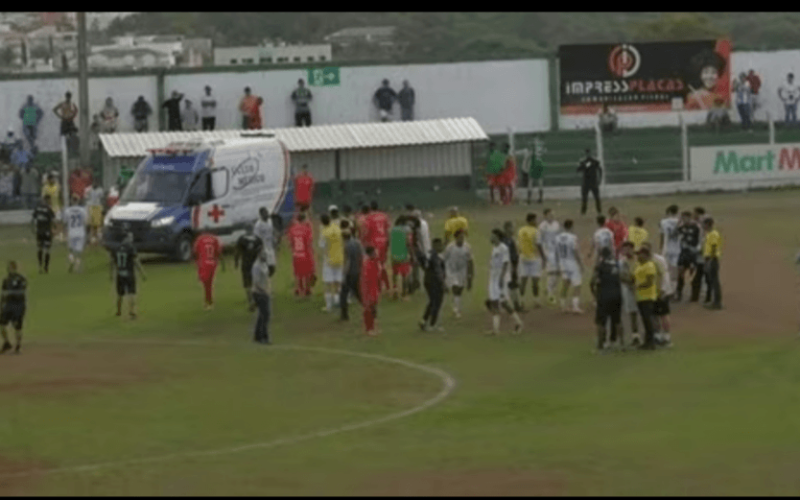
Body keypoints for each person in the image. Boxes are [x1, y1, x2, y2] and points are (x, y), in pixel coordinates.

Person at [486, 229, 523, 335]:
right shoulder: (494, 248)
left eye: (493, 235)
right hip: (493, 278)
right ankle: (495, 329)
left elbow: (506, 263)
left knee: (504, 302)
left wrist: (501, 279)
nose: (491, 237)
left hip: (499, 279)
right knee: (495, 302)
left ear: (497, 237)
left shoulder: (503, 248)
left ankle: (518, 323)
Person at [590, 247, 623, 352]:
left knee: (601, 322)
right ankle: (621, 344)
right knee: (617, 320)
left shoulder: (600, 266)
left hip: (604, 296)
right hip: (617, 295)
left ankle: (601, 345)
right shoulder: (617, 264)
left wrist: (595, 294)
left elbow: (592, 282)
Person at [642, 242, 672, 347]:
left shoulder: (658, 260)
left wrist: (664, 289)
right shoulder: (647, 261)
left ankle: (667, 336)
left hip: (661, 291)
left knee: (663, 314)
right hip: (653, 292)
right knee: (654, 314)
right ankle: (658, 335)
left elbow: (664, 274)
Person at [110, 232, 146, 319]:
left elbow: (112, 263)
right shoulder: (130, 248)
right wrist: (142, 272)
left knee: (119, 293)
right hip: (129, 273)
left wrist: (111, 274)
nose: (131, 239)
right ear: (126, 238)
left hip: (120, 273)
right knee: (131, 292)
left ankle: (118, 311)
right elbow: (136, 261)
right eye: (130, 237)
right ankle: (132, 312)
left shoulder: (116, 248)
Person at [517, 213, 546, 309]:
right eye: (535, 220)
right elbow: (539, 245)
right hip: (534, 258)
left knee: (523, 281)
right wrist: (544, 257)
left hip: (523, 258)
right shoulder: (536, 231)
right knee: (535, 281)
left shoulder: (521, 230)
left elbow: (519, 244)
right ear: (531, 220)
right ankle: (536, 300)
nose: (536, 222)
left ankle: (521, 300)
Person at [442, 229, 473, 319]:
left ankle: (456, 306)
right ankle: (456, 309)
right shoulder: (450, 247)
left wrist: (470, 276)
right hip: (451, 270)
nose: (461, 239)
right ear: (456, 238)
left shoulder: (467, 247)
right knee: (455, 287)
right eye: (460, 237)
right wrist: (443, 272)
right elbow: (444, 258)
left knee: (459, 290)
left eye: (463, 237)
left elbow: (470, 261)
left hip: (462, 271)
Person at [555, 219, 584, 314]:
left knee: (565, 284)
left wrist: (557, 264)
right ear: (571, 226)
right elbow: (575, 252)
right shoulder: (573, 237)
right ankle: (575, 307)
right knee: (577, 285)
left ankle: (563, 306)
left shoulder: (558, 237)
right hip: (572, 263)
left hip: (562, 263)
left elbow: (556, 252)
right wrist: (581, 264)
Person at [633, 246, 659, 350]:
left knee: (648, 320)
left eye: (640, 254)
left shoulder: (649, 265)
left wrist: (638, 285)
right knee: (645, 320)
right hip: (640, 297)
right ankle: (647, 341)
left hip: (648, 296)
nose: (638, 256)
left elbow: (649, 281)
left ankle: (651, 342)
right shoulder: (639, 265)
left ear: (645, 255)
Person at [419, 238, 446, 331]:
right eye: (440, 245)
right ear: (435, 246)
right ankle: (432, 324)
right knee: (437, 302)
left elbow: (423, 264)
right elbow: (438, 271)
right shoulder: (435, 256)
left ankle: (424, 320)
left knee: (432, 302)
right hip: (434, 281)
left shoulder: (429, 254)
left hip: (428, 280)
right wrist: (443, 283)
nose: (442, 247)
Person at [193, 232, 225, 311]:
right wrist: (222, 264)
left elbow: (195, 251)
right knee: (209, 283)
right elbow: (219, 252)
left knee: (206, 284)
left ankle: (208, 301)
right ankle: (208, 301)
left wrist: (196, 261)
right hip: (212, 263)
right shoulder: (214, 239)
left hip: (203, 263)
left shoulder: (199, 239)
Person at [0, 261, 27, 354]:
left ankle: (18, 346)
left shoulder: (21, 279)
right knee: (1, 324)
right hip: (8, 306)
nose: (9, 269)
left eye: (10, 267)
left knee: (17, 326)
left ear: (14, 268)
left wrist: (11, 293)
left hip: (18, 306)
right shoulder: (6, 280)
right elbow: (3, 295)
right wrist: (1, 305)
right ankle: (6, 342)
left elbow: (22, 291)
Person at [235, 224, 264, 309]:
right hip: (256, 263)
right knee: (256, 281)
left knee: (247, 283)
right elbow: (261, 252)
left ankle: (251, 300)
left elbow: (238, 251)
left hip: (246, 263)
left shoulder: (242, 239)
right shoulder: (258, 239)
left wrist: (236, 261)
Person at [675, 210, 701, 302]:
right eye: (682, 218)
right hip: (683, 253)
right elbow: (675, 236)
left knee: (692, 275)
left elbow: (699, 240)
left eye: (686, 217)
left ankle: (694, 295)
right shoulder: (681, 228)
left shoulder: (695, 228)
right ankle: (678, 293)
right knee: (680, 273)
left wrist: (697, 252)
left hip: (693, 254)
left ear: (689, 218)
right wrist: (678, 225)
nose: (684, 219)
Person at [287, 212, 315, 297]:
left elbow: (290, 242)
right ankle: (307, 289)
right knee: (307, 272)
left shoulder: (292, 229)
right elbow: (310, 241)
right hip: (305, 253)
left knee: (298, 273)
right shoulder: (306, 229)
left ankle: (299, 289)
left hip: (296, 254)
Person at [251, 249, 276, 344]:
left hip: (264, 291)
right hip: (259, 293)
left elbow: (267, 277)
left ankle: (257, 335)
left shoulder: (264, 264)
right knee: (265, 315)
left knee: (262, 315)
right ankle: (263, 336)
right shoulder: (256, 266)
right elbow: (256, 282)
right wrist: (264, 291)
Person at [320, 214, 344, 312]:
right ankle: (339, 302)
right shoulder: (337, 229)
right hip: (339, 258)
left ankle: (329, 306)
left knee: (328, 284)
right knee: (338, 282)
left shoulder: (324, 232)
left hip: (329, 260)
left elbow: (322, 246)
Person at [365, 200, 391, 292]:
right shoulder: (384, 216)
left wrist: (366, 242)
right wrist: (388, 241)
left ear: (370, 208)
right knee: (382, 264)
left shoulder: (369, 217)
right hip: (384, 241)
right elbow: (387, 229)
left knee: (375, 265)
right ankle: (387, 285)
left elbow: (368, 231)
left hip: (374, 243)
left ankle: (379, 286)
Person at [619, 241, 640, 343]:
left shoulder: (639, 259)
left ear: (632, 249)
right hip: (629, 289)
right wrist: (631, 282)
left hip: (641, 289)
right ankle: (635, 335)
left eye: (628, 249)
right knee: (633, 313)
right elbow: (622, 276)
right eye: (624, 249)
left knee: (645, 312)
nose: (626, 251)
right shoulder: (622, 262)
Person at [340, 228, 363, 321]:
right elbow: (361, 256)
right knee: (358, 292)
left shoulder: (346, 245)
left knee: (343, 294)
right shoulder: (357, 243)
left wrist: (344, 273)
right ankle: (369, 308)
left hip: (350, 272)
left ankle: (344, 315)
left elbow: (348, 261)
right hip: (357, 270)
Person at [538, 208, 561, 304]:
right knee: (552, 273)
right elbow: (539, 242)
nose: (551, 215)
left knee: (558, 273)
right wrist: (543, 255)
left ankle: (550, 290)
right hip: (548, 251)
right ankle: (551, 295)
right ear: (545, 215)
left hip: (557, 251)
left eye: (552, 214)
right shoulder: (542, 226)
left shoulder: (556, 224)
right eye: (549, 214)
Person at [389, 216, 413, 300]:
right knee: (404, 275)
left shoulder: (393, 229)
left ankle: (395, 292)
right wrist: (411, 253)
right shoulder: (407, 230)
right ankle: (404, 293)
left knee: (395, 275)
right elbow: (408, 242)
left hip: (394, 255)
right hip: (404, 255)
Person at [502, 221, 524, 312]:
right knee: (508, 285)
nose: (513, 229)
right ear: (507, 228)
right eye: (511, 227)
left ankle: (516, 305)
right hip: (508, 265)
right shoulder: (505, 241)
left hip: (514, 264)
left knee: (514, 284)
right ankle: (507, 305)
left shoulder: (511, 239)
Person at [690, 207, 711, 303]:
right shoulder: (701, 224)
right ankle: (705, 295)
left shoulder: (701, 225)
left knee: (702, 276)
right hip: (703, 255)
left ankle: (703, 296)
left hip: (704, 255)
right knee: (703, 277)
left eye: (694, 213)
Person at [63, 195, 88, 273]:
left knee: (70, 250)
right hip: (80, 232)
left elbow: (64, 222)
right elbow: (86, 221)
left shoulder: (67, 210)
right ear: (78, 201)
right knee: (79, 253)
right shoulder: (83, 210)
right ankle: (77, 267)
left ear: (71, 201)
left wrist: (64, 231)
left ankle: (72, 260)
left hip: (71, 232)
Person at [659, 205, 681, 293]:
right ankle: (675, 289)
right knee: (675, 270)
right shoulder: (680, 221)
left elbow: (662, 235)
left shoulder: (663, 222)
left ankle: (668, 289)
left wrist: (661, 248)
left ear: (668, 212)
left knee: (665, 269)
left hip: (666, 247)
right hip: (677, 248)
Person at [361, 246, 382, 336]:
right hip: (369, 290)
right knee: (369, 309)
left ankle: (374, 327)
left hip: (374, 288)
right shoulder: (367, 264)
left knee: (374, 308)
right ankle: (369, 329)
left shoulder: (374, 262)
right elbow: (366, 279)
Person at [702, 217, 722, 310]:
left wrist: (710, 259)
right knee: (713, 281)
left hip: (712, 259)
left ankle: (717, 303)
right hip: (710, 259)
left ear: (707, 224)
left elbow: (713, 247)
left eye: (704, 224)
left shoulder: (713, 234)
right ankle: (715, 302)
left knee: (714, 282)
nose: (703, 226)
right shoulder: (710, 234)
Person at [32, 196, 55, 274]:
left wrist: (34, 229)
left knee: (40, 248)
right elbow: (52, 220)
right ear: (48, 200)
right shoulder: (48, 209)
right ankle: (46, 267)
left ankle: (40, 266)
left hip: (39, 231)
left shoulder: (37, 208)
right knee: (47, 249)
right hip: (47, 232)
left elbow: (34, 219)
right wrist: (53, 230)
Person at [577, 149, 603, 215]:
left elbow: (600, 169)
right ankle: (584, 211)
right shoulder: (590, 161)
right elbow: (579, 169)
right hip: (587, 182)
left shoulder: (593, 161)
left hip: (591, 182)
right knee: (585, 198)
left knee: (596, 197)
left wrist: (600, 179)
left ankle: (598, 210)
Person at [526, 136, 545, 205]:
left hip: (534, 166)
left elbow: (529, 156)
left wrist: (526, 166)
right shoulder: (541, 148)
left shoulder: (533, 149)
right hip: (540, 166)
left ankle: (529, 199)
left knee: (530, 183)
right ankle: (541, 198)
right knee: (540, 183)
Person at [42, 174, 62, 239]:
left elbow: (61, 195)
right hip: (49, 208)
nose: (52, 180)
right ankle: (53, 234)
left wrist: (62, 205)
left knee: (58, 221)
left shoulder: (57, 186)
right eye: (50, 179)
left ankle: (59, 234)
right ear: (48, 180)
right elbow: (44, 198)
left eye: (53, 179)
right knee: (50, 222)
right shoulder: (45, 187)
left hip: (57, 207)